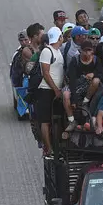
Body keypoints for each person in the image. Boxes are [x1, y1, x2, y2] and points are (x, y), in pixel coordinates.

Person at [63, 39, 102, 134]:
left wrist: (94, 74)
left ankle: (85, 102)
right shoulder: (75, 60)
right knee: (65, 94)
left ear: (92, 51)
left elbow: (101, 74)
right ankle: (71, 120)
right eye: (85, 50)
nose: (87, 53)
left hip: (89, 86)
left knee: (96, 81)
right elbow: (72, 80)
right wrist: (74, 100)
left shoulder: (96, 60)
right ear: (81, 50)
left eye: (89, 50)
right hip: (75, 85)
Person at [37, 26, 65, 155]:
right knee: (45, 121)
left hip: (56, 90)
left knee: (57, 120)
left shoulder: (58, 51)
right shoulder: (47, 51)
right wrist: (55, 89)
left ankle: (56, 145)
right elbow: (46, 73)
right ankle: (48, 148)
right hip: (46, 90)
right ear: (59, 37)